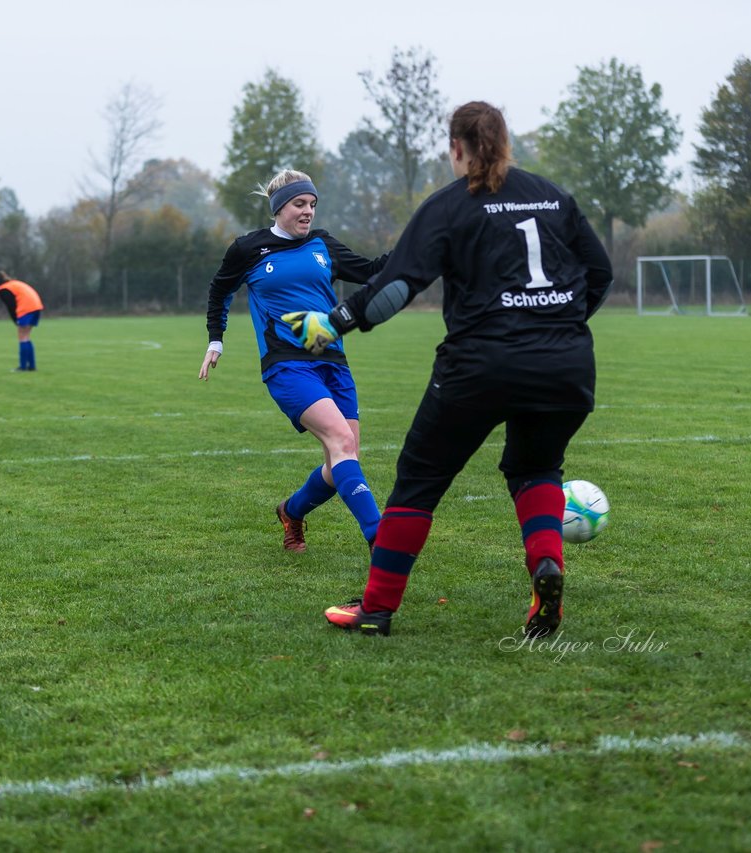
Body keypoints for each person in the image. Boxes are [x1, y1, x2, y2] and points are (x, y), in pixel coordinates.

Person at [283, 101, 612, 637]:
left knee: (418, 482)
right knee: (536, 469)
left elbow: (394, 288)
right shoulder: (555, 196)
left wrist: (334, 323)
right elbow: (599, 273)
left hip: (480, 365)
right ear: (505, 142)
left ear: (456, 148)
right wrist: (560, 325)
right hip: (566, 365)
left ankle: (376, 609)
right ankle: (546, 567)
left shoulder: (449, 206)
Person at [200, 169, 389, 553]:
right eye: (300, 204)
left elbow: (371, 272)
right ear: (279, 208)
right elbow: (220, 290)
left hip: (332, 359)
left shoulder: (323, 244)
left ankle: (291, 511)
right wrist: (216, 340)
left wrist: (419, 250)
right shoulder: (249, 249)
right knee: (340, 441)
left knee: (343, 459)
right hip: (286, 364)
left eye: (313, 205)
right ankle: (379, 538)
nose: (308, 212)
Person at [0, 272, 43, 370]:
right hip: (36, 307)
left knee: (22, 337)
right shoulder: (11, 284)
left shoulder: (3, 289)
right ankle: (31, 366)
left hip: (26, 309)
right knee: (26, 337)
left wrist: (16, 320)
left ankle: (23, 367)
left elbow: (11, 306)